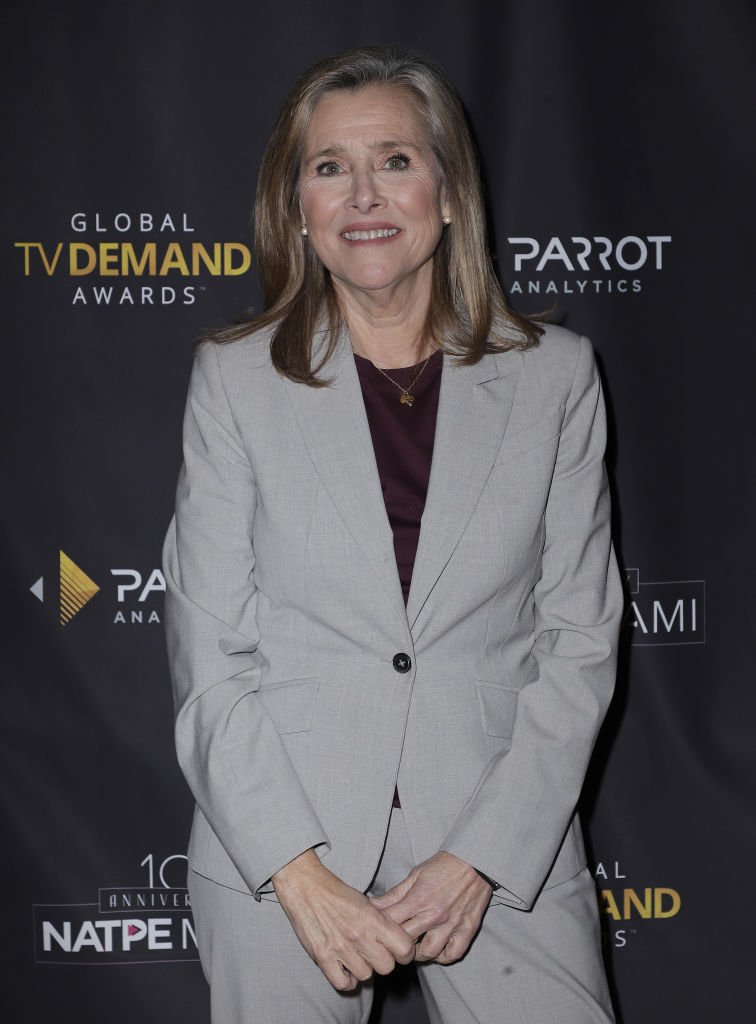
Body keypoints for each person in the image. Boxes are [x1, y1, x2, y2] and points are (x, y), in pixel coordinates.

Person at [162, 43, 623, 1024]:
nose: (363, 194)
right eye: (330, 167)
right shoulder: (234, 380)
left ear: (449, 192)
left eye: (396, 160)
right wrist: (295, 872)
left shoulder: (556, 379)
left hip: (502, 841)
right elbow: (210, 656)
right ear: (296, 207)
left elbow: (579, 641)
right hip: (283, 846)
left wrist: (484, 857)